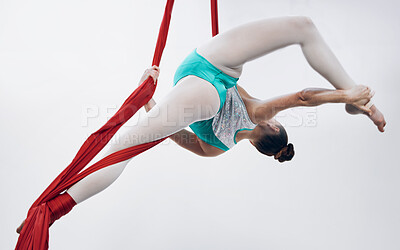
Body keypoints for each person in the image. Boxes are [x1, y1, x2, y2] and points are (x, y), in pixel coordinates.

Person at [17, 16, 385, 233]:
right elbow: (172, 134)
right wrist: (150, 102)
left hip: (212, 70)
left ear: (273, 131)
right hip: (200, 95)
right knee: (125, 148)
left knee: (302, 27)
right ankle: (52, 211)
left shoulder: (259, 113)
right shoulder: (217, 149)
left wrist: (344, 98)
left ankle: (356, 96)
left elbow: (303, 96)